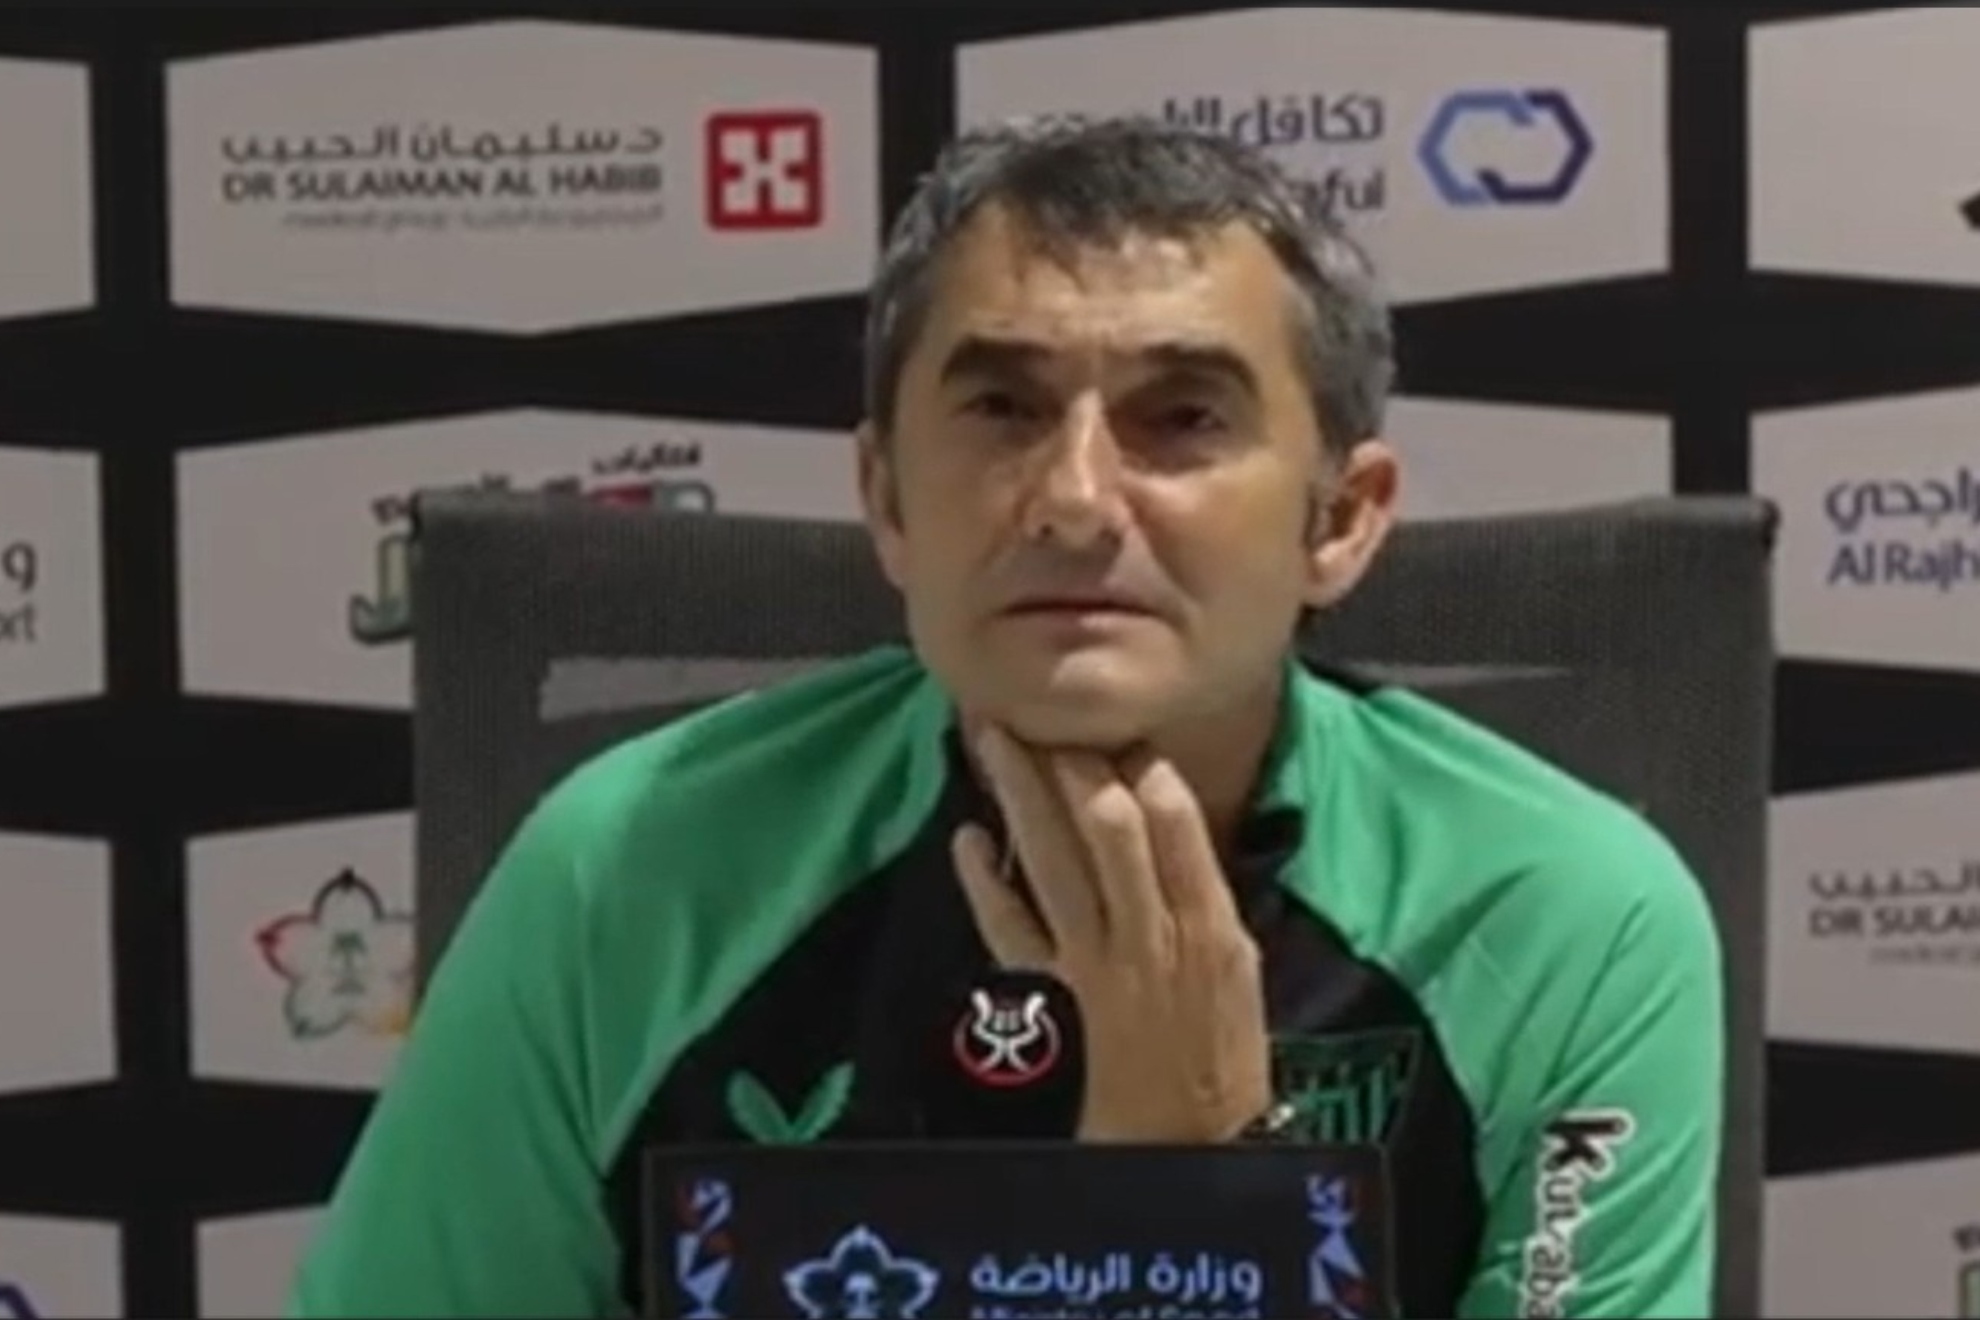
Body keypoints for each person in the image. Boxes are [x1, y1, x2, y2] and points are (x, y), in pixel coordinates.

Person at [287, 113, 1724, 1319]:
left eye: (1183, 417)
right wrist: (1153, 1199)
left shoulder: (1567, 920)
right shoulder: (626, 869)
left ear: (1340, 520)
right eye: (1003, 410)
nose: (1076, 500)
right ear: (886, 499)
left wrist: (1207, 1176)